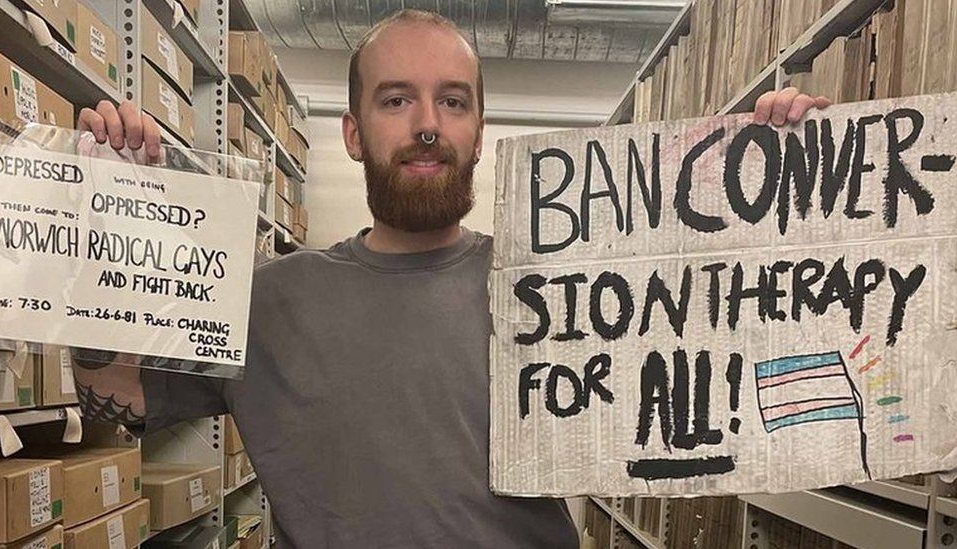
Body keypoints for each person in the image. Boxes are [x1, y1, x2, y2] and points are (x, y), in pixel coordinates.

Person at [72, 9, 831, 548]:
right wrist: (113, 227)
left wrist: (791, 198)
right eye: (397, 99)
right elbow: (116, 387)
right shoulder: (267, 298)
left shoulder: (560, 293)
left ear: (477, 129)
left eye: (453, 101)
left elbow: (742, 363)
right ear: (353, 131)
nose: (427, 122)